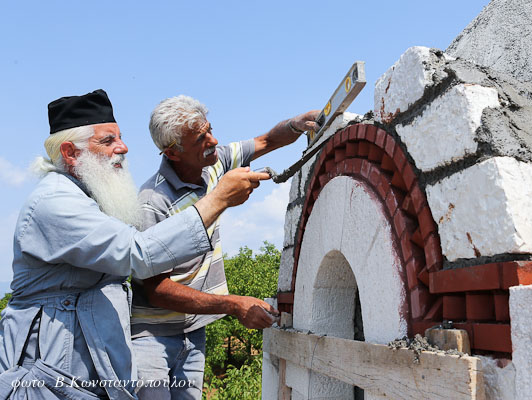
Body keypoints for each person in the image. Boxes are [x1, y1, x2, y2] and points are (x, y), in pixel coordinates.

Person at [0, 89, 272, 399]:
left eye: (120, 137)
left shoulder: (89, 197)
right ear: (70, 153)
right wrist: (219, 199)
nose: (123, 147)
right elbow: (139, 254)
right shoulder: (55, 203)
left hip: (81, 370)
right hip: (50, 374)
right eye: (108, 141)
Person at [131, 95, 319, 398]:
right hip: (152, 339)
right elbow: (154, 289)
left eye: (210, 129)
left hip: (194, 333)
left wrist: (295, 125)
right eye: (200, 139)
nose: (213, 140)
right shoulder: (152, 202)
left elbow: (266, 141)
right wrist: (233, 304)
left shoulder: (215, 161)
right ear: (172, 153)